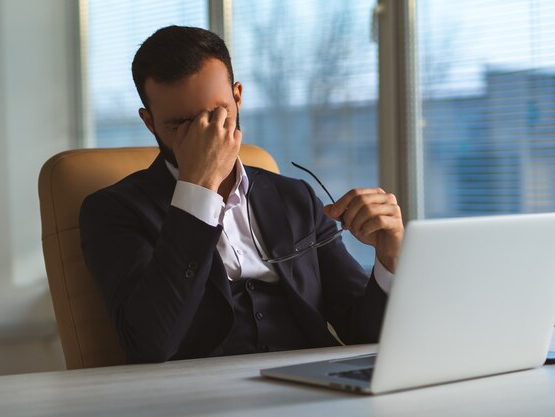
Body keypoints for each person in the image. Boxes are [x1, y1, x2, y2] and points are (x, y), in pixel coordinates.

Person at [80, 25, 404, 363]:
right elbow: (150, 344)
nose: (204, 136)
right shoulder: (112, 211)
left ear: (237, 97)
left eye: (216, 116)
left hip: (312, 386)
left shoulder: (295, 198)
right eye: (179, 127)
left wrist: (390, 257)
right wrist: (197, 189)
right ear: (150, 123)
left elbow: (364, 333)